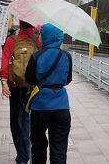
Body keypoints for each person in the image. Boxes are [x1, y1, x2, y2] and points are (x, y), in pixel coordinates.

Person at [25, 24, 73, 164]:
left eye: (41, 34)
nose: (39, 37)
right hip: (62, 106)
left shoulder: (36, 55)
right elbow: (68, 79)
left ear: (47, 36)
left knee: (38, 145)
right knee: (59, 148)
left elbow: (29, 79)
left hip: (40, 106)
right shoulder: (66, 56)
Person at [0, 20, 42, 164]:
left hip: (15, 86)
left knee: (15, 120)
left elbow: (5, 61)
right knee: (27, 119)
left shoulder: (12, 40)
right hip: (33, 87)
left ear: (20, 23)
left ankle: (22, 155)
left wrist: (4, 82)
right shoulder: (37, 41)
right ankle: (25, 153)